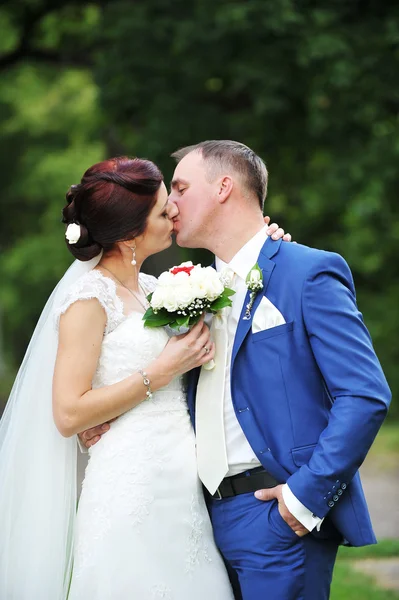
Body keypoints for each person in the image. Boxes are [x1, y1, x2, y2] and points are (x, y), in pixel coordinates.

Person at [84, 140, 391, 600]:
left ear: (224, 187)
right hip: (195, 521)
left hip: (276, 516)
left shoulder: (306, 272)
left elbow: (365, 395)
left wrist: (304, 496)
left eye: (182, 188)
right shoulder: (192, 292)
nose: (170, 205)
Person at [0, 154, 289, 600]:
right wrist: (160, 371)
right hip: (130, 489)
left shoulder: (160, 291)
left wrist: (264, 239)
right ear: (131, 232)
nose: (174, 211)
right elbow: (67, 411)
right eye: (161, 210)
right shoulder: (88, 299)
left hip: (185, 491)